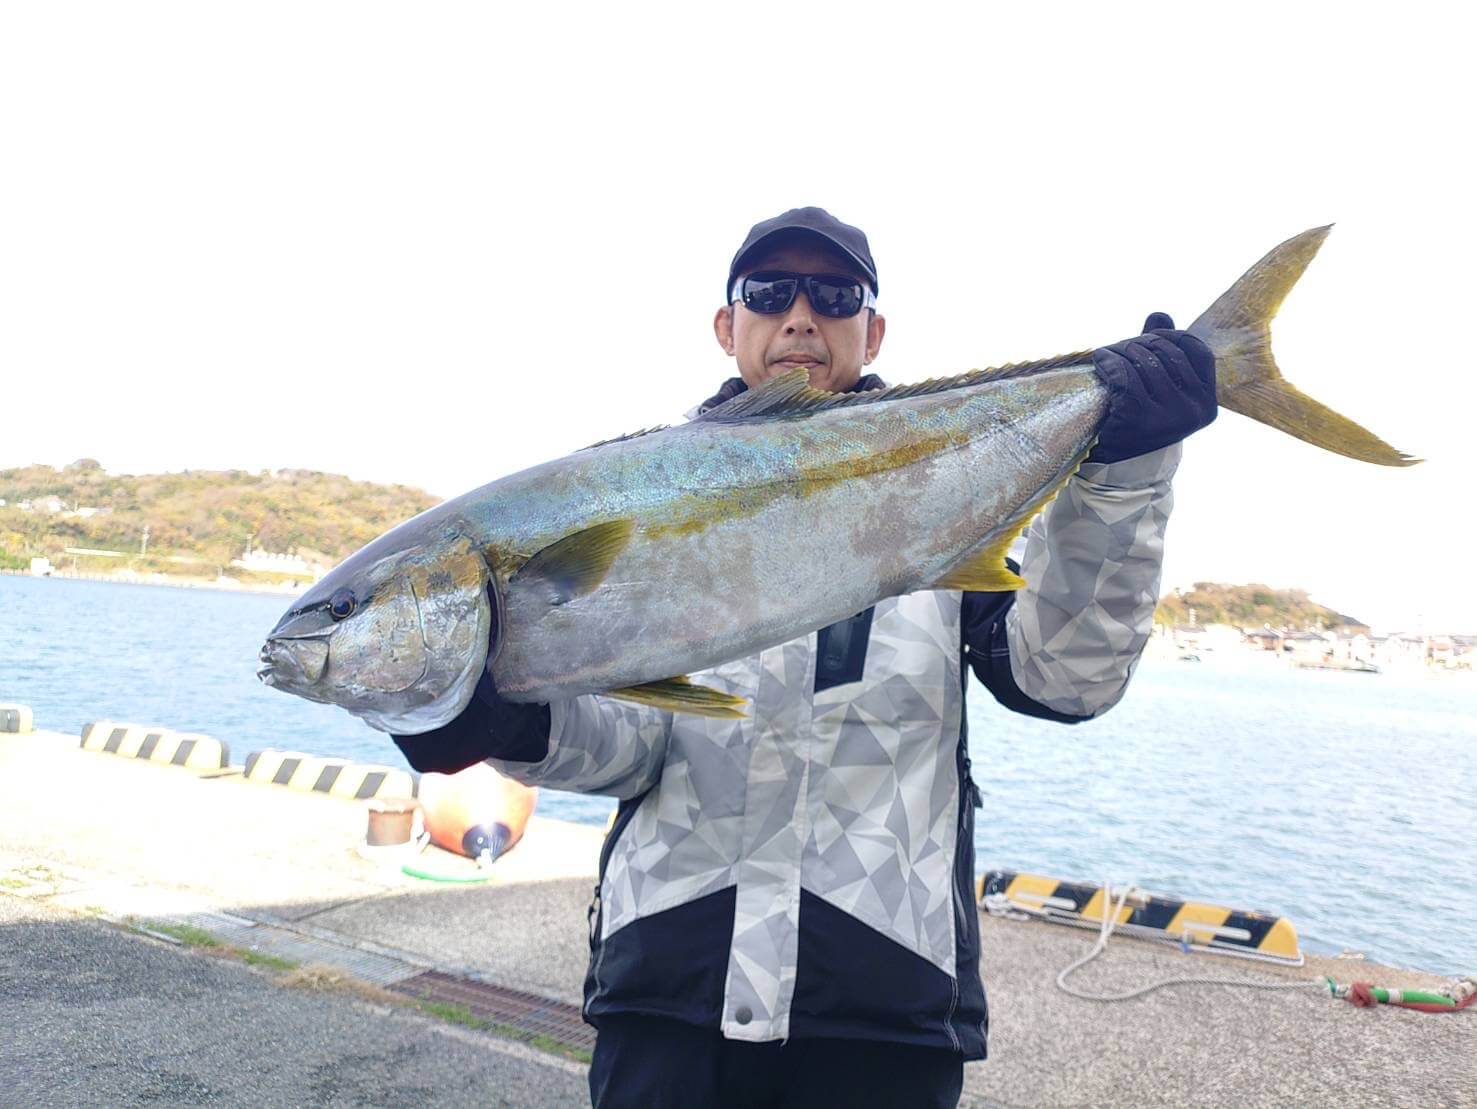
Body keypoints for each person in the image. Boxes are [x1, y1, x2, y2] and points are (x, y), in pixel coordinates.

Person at [394, 207, 1216, 1108]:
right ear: (726, 324)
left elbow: (1068, 677)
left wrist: (1125, 476)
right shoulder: (643, 504)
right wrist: (500, 712)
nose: (799, 316)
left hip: (879, 1007)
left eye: (833, 294)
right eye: (768, 292)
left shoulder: (940, 503)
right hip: (671, 995)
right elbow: (626, 746)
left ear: (872, 329)